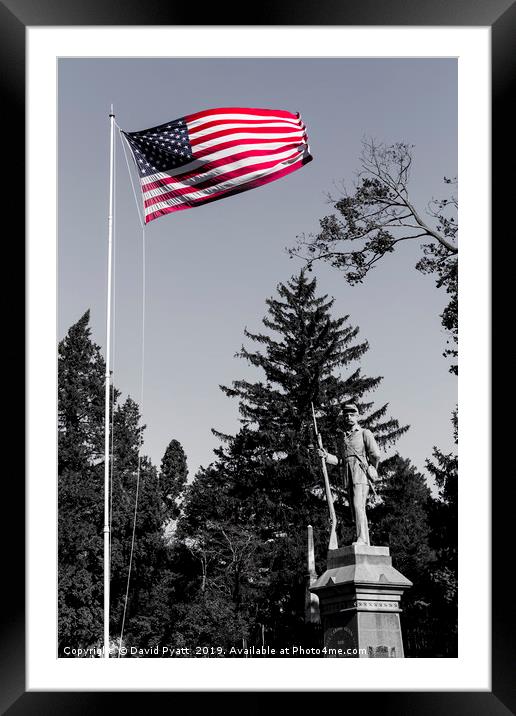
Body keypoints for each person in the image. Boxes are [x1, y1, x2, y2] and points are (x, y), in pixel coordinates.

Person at [318, 402, 380, 545]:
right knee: (355, 510)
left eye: (352, 415)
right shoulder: (343, 438)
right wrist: (326, 456)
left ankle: (362, 539)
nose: (349, 417)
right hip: (348, 476)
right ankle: (363, 539)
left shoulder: (365, 433)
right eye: (346, 415)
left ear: (357, 416)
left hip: (361, 474)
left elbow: (376, 454)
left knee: (359, 506)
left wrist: (371, 467)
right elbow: (341, 460)